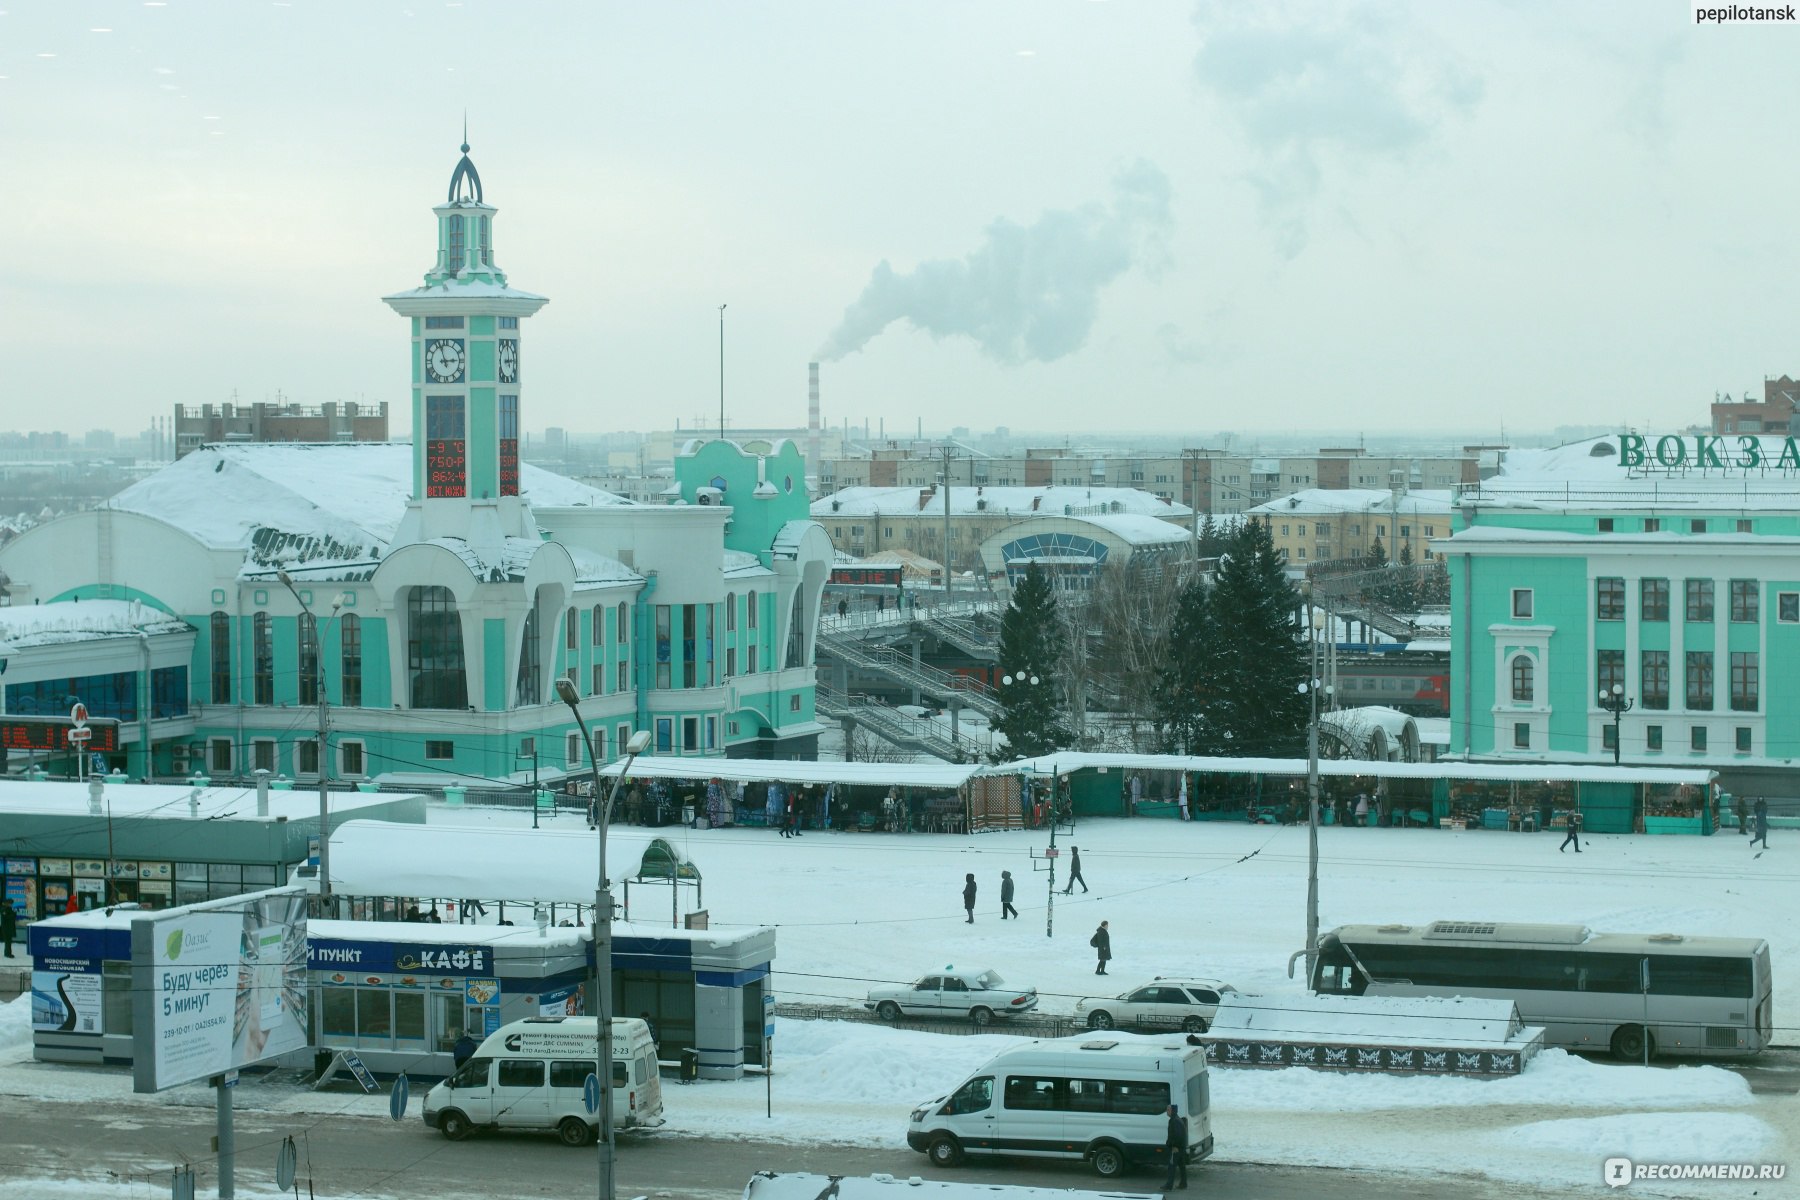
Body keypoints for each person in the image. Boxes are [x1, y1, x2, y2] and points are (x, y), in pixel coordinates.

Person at [1163, 1103, 1189, 1190]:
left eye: (1168, 1110)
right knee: (1182, 1166)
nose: (1167, 1111)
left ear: (1172, 1111)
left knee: (1171, 1166)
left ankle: (1169, 1186)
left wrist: (1174, 1146)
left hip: (1176, 1148)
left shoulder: (1174, 1121)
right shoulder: (1177, 1119)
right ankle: (1183, 1183)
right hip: (1181, 1147)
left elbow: (1176, 1136)